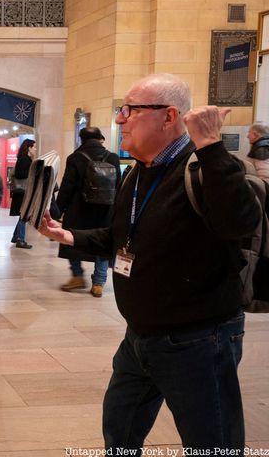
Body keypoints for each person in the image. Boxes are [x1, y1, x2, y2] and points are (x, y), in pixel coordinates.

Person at [38, 73, 259, 453]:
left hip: (197, 341)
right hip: (139, 338)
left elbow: (239, 222)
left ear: (169, 116)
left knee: (213, 445)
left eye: (130, 110)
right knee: (119, 434)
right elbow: (119, 238)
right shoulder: (136, 174)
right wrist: (67, 235)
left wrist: (210, 145)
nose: (120, 119)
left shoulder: (204, 168)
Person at [54, 127, 120, 298]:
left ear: (81, 139)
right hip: (106, 210)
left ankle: (77, 276)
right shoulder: (112, 157)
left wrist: (57, 210)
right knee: (103, 243)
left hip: (79, 209)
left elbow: (67, 187)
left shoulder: (75, 158)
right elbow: (118, 185)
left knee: (71, 239)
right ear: (100, 139)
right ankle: (98, 283)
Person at [10, 139, 36, 249]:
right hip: (22, 192)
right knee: (24, 215)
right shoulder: (24, 159)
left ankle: (16, 237)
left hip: (22, 192)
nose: (35, 149)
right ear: (29, 148)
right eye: (34, 147)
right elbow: (20, 174)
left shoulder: (24, 159)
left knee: (23, 215)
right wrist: (34, 172)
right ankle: (20, 240)